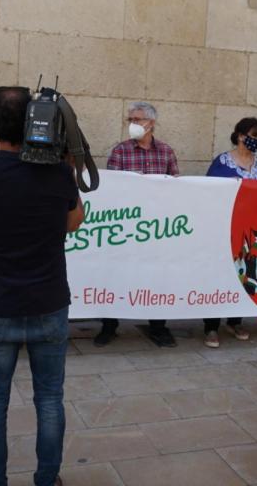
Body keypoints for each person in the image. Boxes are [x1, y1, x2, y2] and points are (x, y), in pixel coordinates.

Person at [0, 86, 84, 486]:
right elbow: (74, 222)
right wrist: (66, 167)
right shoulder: (59, 174)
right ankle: (48, 479)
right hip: (49, 304)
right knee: (50, 400)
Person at [94, 101, 179, 348]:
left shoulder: (166, 152)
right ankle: (109, 325)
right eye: (130, 119)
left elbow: (176, 187)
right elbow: (111, 188)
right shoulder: (120, 151)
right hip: (126, 225)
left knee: (157, 275)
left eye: (137, 119)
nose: (132, 124)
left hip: (156, 228)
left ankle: (158, 327)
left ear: (151, 123)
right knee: (116, 273)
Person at [202, 117, 257, 348]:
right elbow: (208, 191)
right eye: (254, 136)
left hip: (251, 229)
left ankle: (235, 321)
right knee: (219, 275)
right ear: (241, 136)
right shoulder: (222, 162)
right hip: (224, 228)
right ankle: (211, 326)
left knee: (245, 272)